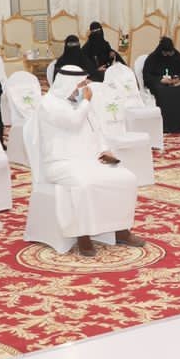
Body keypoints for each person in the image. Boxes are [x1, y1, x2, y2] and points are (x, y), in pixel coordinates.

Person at [37, 64, 145, 257]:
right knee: (86, 184)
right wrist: (86, 102)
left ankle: (121, 230)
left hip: (90, 160)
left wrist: (104, 151)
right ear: (67, 83)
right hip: (61, 163)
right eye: (81, 84)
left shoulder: (81, 103)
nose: (85, 88)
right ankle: (83, 235)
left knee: (126, 178)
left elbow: (97, 130)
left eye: (85, 84)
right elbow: (73, 122)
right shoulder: (49, 104)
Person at [141, 36, 180, 133]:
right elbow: (147, 76)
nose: (169, 55)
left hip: (175, 83)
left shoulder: (177, 56)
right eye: (166, 53)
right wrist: (160, 80)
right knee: (164, 92)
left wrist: (178, 79)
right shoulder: (153, 58)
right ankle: (167, 126)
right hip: (159, 84)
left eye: (170, 52)